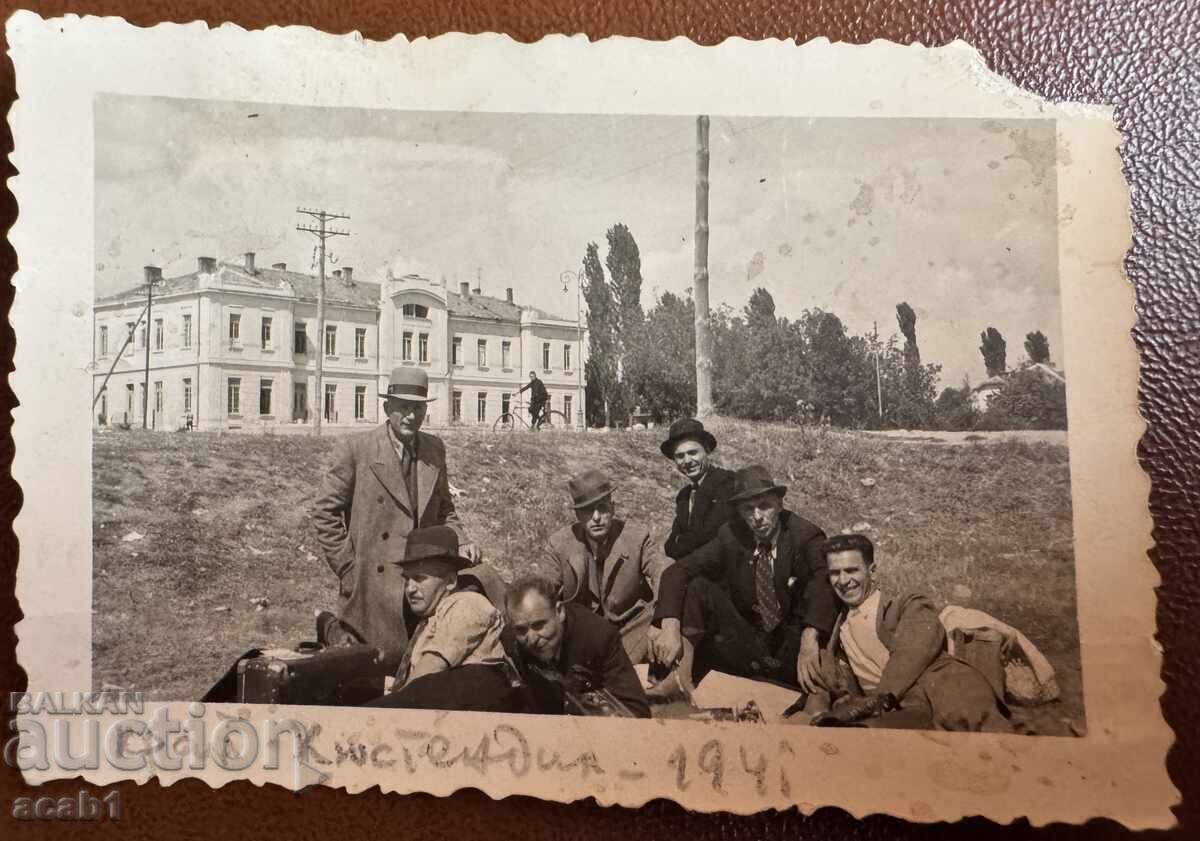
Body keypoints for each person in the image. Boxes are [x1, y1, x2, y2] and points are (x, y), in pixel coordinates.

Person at [313, 366, 480, 652]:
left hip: (423, 581)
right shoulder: (358, 449)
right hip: (373, 585)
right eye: (403, 407)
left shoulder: (433, 449)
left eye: (418, 408)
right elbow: (325, 512)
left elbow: (444, 509)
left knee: (425, 662)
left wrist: (461, 538)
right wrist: (349, 568)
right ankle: (330, 628)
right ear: (386, 407)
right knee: (372, 667)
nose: (411, 416)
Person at [649, 465, 836, 697]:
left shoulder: (805, 535)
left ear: (779, 504)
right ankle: (680, 679)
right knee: (698, 587)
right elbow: (677, 571)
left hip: (793, 643)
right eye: (748, 509)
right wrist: (669, 626)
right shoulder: (731, 534)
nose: (757, 517)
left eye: (764, 506)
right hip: (748, 639)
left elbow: (825, 581)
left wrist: (810, 640)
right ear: (738, 511)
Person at [808, 534, 1014, 732]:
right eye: (835, 573)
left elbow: (913, 652)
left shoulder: (908, 604)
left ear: (872, 571)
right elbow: (831, 678)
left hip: (937, 690)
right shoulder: (836, 625)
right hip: (893, 711)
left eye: (852, 570)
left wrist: (875, 700)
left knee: (983, 736)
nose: (843, 581)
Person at [363, 526, 522, 711]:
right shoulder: (430, 618)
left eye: (420, 578)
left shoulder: (467, 603)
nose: (410, 588)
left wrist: (388, 712)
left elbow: (432, 666)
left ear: (451, 582)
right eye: (407, 579)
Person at [546, 469, 668, 663]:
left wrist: (663, 622)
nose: (596, 517)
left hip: (629, 629)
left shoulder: (637, 536)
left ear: (612, 509)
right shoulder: (559, 544)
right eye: (587, 511)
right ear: (578, 515)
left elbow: (664, 572)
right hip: (581, 635)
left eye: (602, 508)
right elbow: (544, 590)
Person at [505, 574, 651, 718]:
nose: (531, 639)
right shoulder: (510, 644)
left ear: (559, 611)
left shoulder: (598, 637)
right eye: (521, 629)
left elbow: (636, 711)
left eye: (539, 625)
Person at [659, 418, 737, 560]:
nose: (687, 461)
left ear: (706, 450)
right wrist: (680, 542)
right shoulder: (683, 496)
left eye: (693, 452)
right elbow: (669, 547)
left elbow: (710, 536)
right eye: (680, 456)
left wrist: (680, 541)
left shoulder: (727, 483)